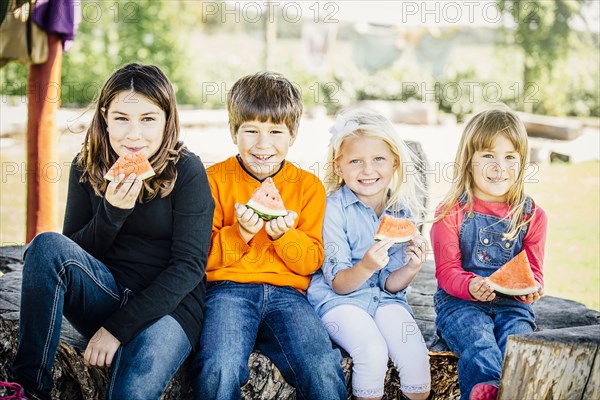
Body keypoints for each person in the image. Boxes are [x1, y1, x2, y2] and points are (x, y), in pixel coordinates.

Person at [10, 63, 214, 400]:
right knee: (44, 245)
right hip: (105, 293)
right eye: (121, 118)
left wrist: (115, 330)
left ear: (167, 120)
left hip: (169, 310)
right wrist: (112, 214)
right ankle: (29, 389)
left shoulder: (187, 170)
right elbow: (67, 253)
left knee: (129, 393)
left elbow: (188, 267)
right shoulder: (85, 165)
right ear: (105, 117)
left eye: (148, 119)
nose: (133, 135)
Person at [190, 72, 347, 400]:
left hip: (289, 296)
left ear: (293, 135)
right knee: (219, 366)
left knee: (321, 365)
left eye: (275, 131)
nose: (263, 145)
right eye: (251, 131)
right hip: (225, 292)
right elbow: (199, 258)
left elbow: (311, 260)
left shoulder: (308, 187)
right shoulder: (213, 180)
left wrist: (285, 237)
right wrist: (240, 233)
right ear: (234, 133)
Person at [306, 108, 432, 400]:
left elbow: (390, 284)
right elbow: (339, 283)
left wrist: (411, 268)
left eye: (378, 159)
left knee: (416, 358)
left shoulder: (401, 211)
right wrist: (366, 266)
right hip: (339, 302)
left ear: (395, 163)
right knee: (372, 352)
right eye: (355, 161)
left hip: (385, 299)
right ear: (338, 167)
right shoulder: (332, 209)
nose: (368, 169)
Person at [430, 108, 547, 400]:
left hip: (513, 306)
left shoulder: (532, 216)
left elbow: (533, 271)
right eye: (488, 156)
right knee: (479, 343)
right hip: (460, 305)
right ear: (469, 162)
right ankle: (485, 391)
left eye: (510, 157)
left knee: (518, 343)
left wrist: (533, 290)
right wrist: (470, 285)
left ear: (522, 163)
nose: (499, 167)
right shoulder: (450, 212)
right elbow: (446, 272)